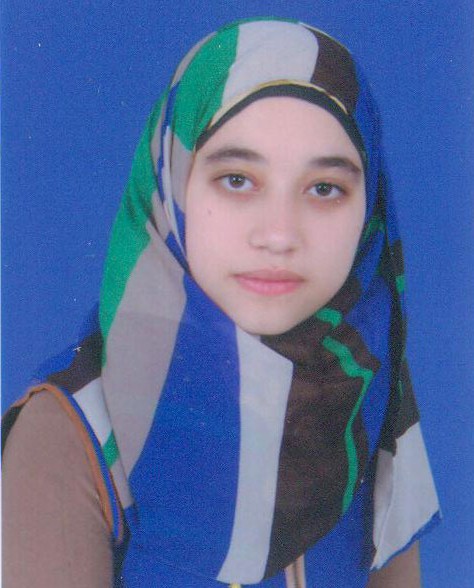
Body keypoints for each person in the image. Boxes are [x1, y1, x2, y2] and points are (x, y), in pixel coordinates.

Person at [2, 17, 440, 588]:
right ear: (172, 185)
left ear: (369, 209)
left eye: (324, 188)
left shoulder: (367, 394)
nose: (279, 234)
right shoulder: (73, 435)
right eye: (237, 180)